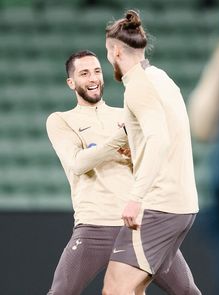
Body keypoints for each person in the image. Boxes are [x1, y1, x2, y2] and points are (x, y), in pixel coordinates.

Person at [46, 50, 201, 295]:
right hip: (93, 227)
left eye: (97, 71)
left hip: (137, 226)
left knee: (187, 291)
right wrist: (120, 140)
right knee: (60, 292)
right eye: (84, 73)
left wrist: (126, 151)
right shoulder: (60, 120)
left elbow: (148, 160)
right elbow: (78, 163)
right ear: (71, 82)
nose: (93, 78)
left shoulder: (125, 113)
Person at [103, 10, 201, 295]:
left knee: (115, 288)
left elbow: (159, 140)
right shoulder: (161, 78)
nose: (108, 58)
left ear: (117, 51)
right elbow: (166, 129)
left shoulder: (137, 88)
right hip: (180, 203)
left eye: (107, 52)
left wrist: (135, 198)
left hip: (158, 205)